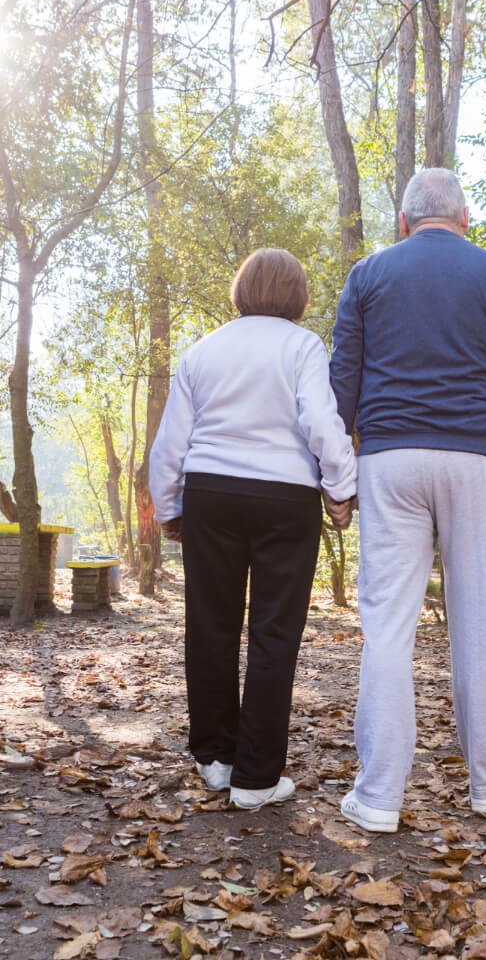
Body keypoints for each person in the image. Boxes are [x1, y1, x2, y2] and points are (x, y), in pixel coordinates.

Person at [329, 168, 486, 833]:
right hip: (479, 461)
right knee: (483, 624)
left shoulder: (369, 276)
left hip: (389, 460)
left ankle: (377, 797)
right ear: (465, 219)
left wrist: (336, 479)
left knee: (387, 628)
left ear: (403, 224)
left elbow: (341, 382)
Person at [149, 248, 357, 811]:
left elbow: (172, 441)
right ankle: (256, 777)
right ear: (297, 296)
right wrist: (341, 489)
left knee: (210, 625)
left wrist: (168, 506)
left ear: (241, 290)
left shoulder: (204, 348)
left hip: (212, 495)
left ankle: (215, 758)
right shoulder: (303, 346)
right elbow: (321, 420)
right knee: (274, 632)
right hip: (284, 499)